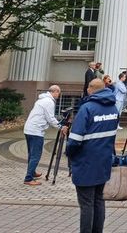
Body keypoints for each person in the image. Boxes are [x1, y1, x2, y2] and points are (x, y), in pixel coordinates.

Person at [66, 77, 117, 233]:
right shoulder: (113, 108)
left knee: (86, 203)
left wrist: (69, 154)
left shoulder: (87, 108)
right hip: (103, 162)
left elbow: (75, 140)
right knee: (98, 200)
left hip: (85, 162)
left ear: (90, 89)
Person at [22, 85, 63, 186]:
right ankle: (28, 178)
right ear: (55, 91)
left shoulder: (42, 99)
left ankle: (32, 172)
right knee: (36, 155)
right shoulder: (49, 102)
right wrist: (61, 127)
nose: (59, 95)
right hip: (36, 130)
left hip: (29, 129)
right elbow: (50, 118)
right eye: (59, 92)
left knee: (31, 154)